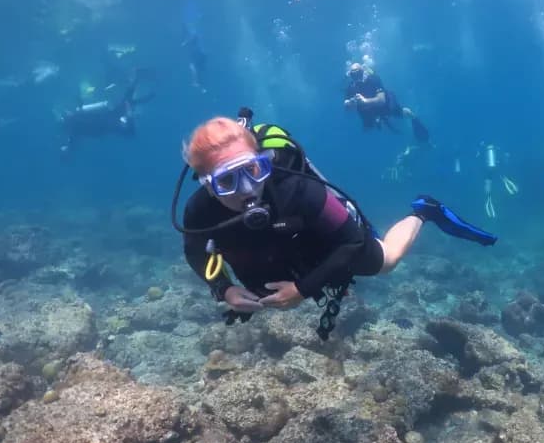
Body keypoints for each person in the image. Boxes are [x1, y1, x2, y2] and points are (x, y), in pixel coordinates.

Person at [173, 112, 496, 340]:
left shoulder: (298, 188)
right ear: (206, 184)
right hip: (272, 253)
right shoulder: (199, 211)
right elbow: (196, 254)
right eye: (228, 180)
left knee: (385, 261)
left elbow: (352, 241)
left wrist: (303, 288)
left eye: (253, 171)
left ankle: (424, 211)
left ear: (264, 162)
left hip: (325, 241)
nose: (246, 189)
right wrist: (224, 289)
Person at [59, 68, 154, 153]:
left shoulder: (74, 129)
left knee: (127, 105)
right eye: (67, 114)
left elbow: (72, 141)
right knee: (127, 105)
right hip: (108, 119)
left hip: (107, 122)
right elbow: (73, 140)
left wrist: (67, 148)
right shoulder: (75, 123)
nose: (68, 112)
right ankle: (136, 82)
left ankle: (137, 82)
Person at [344, 62, 430, 143]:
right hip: (370, 109)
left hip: (385, 105)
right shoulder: (351, 87)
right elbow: (347, 104)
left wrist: (365, 101)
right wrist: (350, 104)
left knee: (399, 111)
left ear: (363, 72)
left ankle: (414, 119)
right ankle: (378, 118)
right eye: (353, 75)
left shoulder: (374, 78)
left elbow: (382, 100)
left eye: (358, 74)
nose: (356, 78)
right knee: (367, 127)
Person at [475, 143, 519, 219]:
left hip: (488, 170)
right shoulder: (495, 147)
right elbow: (503, 155)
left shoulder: (483, 147)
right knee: (503, 177)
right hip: (496, 166)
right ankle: (509, 185)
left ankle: (488, 198)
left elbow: (478, 158)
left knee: (488, 184)